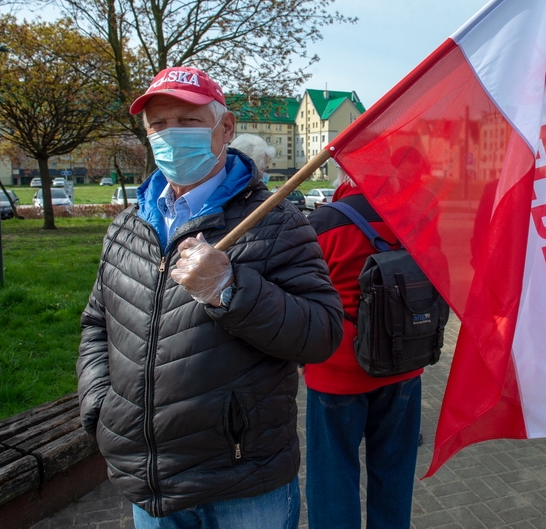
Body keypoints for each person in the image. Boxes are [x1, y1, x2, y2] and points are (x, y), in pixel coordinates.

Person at [77, 66, 343, 528]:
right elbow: (97, 326)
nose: (171, 134)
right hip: (150, 481)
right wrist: (100, 404)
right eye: (158, 124)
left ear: (227, 128)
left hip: (242, 478)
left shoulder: (278, 223)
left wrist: (230, 290)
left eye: (189, 120)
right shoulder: (127, 227)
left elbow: (322, 333)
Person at [303, 168, 422, 529]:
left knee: (332, 477)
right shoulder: (415, 217)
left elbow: (301, 293)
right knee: (395, 473)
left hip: (335, 372)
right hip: (404, 364)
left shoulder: (323, 222)